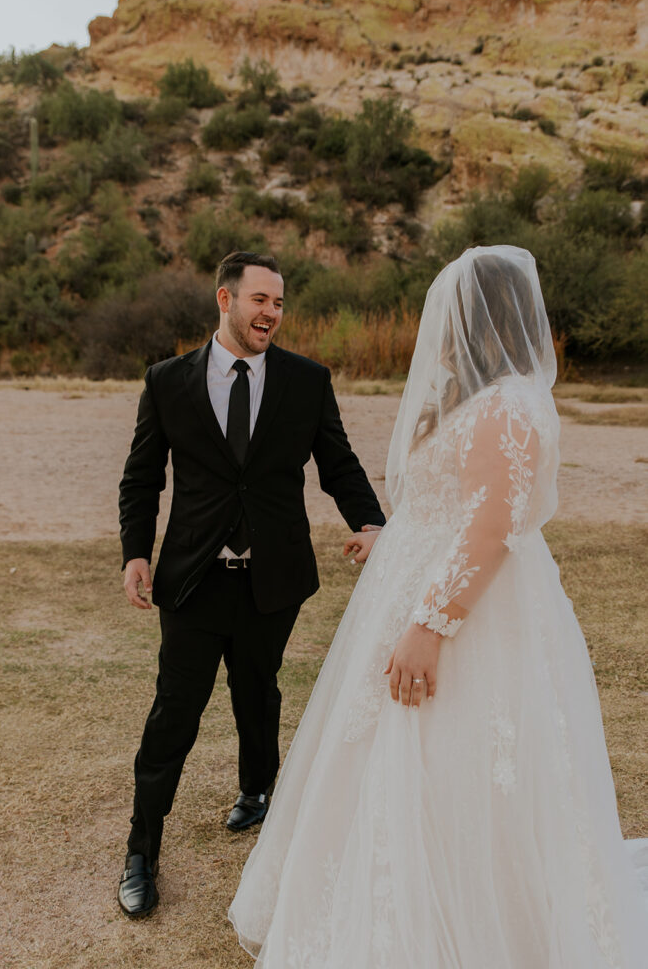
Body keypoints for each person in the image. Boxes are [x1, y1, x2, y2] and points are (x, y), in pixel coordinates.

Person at [229, 245, 648, 967]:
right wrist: (390, 543)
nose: (443, 330)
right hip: (418, 587)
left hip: (466, 616)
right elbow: (448, 509)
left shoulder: (509, 408)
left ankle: (475, 921)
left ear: (482, 317)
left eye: (453, 314)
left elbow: (490, 531)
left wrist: (429, 626)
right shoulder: (482, 400)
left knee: (455, 756)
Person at [116, 251, 385, 918]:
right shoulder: (167, 380)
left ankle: (256, 792)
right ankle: (141, 854)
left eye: (279, 303)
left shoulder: (305, 380)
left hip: (274, 576)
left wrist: (375, 524)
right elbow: (141, 477)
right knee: (174, 713)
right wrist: (134, 553)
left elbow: (339, 465)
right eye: (260, 299)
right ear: (225, 299)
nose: (271, 313)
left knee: (258, 690)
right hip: (192, 578)